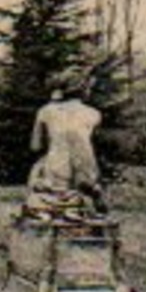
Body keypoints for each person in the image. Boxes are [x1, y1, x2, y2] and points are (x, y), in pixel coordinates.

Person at [23, 78, 107, 220]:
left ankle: (48, 210)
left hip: (53, 174)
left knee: (38, 176)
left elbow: (35, 146)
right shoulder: (94, 114)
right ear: (85, 91)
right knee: (89, 191)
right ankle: (77, 209)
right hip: (84, 176)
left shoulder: (45, 111)